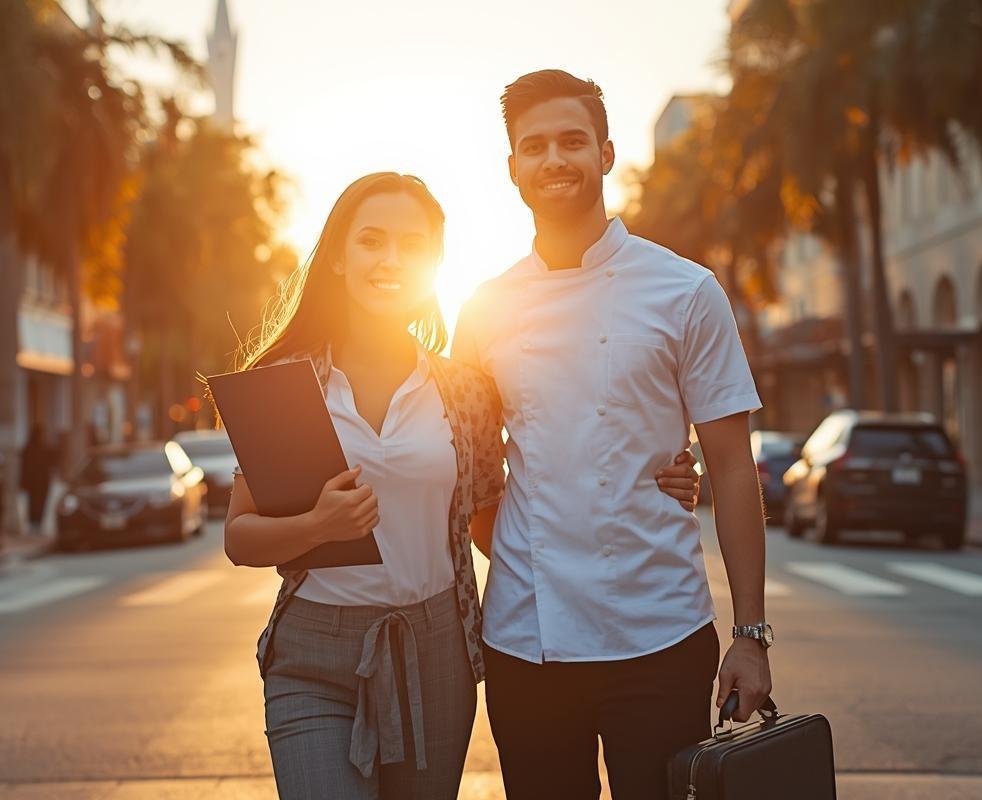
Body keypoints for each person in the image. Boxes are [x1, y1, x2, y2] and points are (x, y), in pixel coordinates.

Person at [223, 172, 702, 800]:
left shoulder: (464, 391)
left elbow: (507, 499)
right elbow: (239, 536)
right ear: (337, 256)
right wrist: (319, 526)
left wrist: (646, 488)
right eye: (370, 240)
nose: (390, 259)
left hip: (436, 649)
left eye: (412, 245)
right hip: (314, 653)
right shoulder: (285, 384)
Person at [450, 70, 775, 800]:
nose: (554, 159)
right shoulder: (483, 310)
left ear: (606, 152)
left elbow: (729, 469)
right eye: (533, 146)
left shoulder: (685, 291)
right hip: (525, 641)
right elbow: (471, 471)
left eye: (572, 140)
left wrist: (750, 637)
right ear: (511, 169)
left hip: (659, 634)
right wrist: (525, 542)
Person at [19, 425, 54, 536]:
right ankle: (35, 524)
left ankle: (36, 524)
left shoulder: (31, 448)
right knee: (36, 503)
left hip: (36, 483)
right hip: (38, 483)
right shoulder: (38, 448)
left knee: (35, 503)